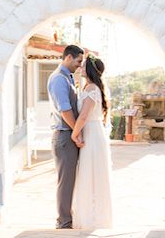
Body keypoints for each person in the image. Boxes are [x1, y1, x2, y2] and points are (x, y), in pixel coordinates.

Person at [71, 53, 114, 229]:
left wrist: (74, 134)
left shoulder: (91, 89)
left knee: (91, 174)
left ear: (89, 69)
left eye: (83, 65)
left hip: (92, 134)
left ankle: (93, 219)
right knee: (90, 173)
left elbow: (83, 116)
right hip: (93, 131)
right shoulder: (91, 87)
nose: (80, 67)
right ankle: (91, 216)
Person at [47, 44, 84, 229]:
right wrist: (76, 133)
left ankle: (67, 218)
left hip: (69, 133)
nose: (79, 65)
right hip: (64, 135)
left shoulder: (68, 77)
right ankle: (63, 223)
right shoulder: (59, 79)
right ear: (68, 57)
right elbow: (65, 110)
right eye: (78, 61)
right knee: (66, 182)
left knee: (71, 180)